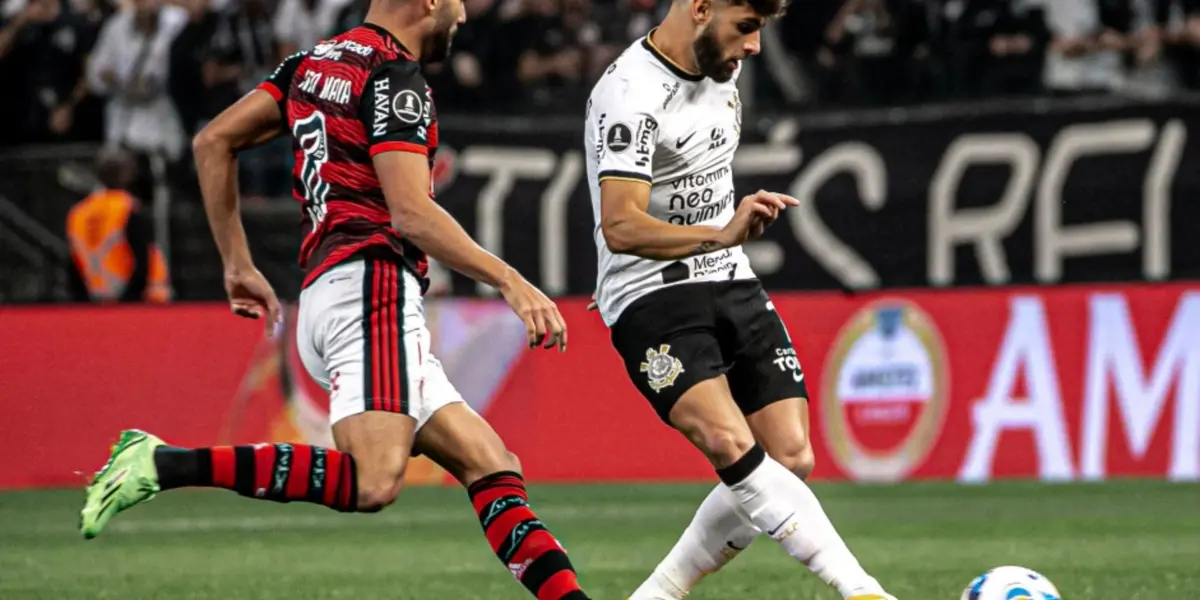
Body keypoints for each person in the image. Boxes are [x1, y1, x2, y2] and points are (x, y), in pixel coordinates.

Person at [78, 0, 592, 598]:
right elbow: (410, 212)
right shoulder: (394, 76)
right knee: (375, 481)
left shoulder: (311, 63)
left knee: (491, 464)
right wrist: (510, 280)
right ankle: (162, 463)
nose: (462, 15)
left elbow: (213, 140)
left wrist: (237, 263)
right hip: (371, 290)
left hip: (333, 291)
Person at [582, 0, 897, 598]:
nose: (754, 46)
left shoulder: (724, 69)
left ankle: (654, 594)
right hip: (649, 291)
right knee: (730, 443)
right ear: (701, 8)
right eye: (746, 28)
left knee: (791, 459)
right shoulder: (629, 94)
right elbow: (620, 225)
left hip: (728, 275)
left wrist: (723, 240)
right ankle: (862, 590)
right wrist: (718, 233)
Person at [66, 147, 172, 304]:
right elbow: (142, 260)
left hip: (96, 297)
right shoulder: (127, 209)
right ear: (127, 175)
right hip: (136, 300)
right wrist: (130, 298)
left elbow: (73, 264)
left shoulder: (79, 213)